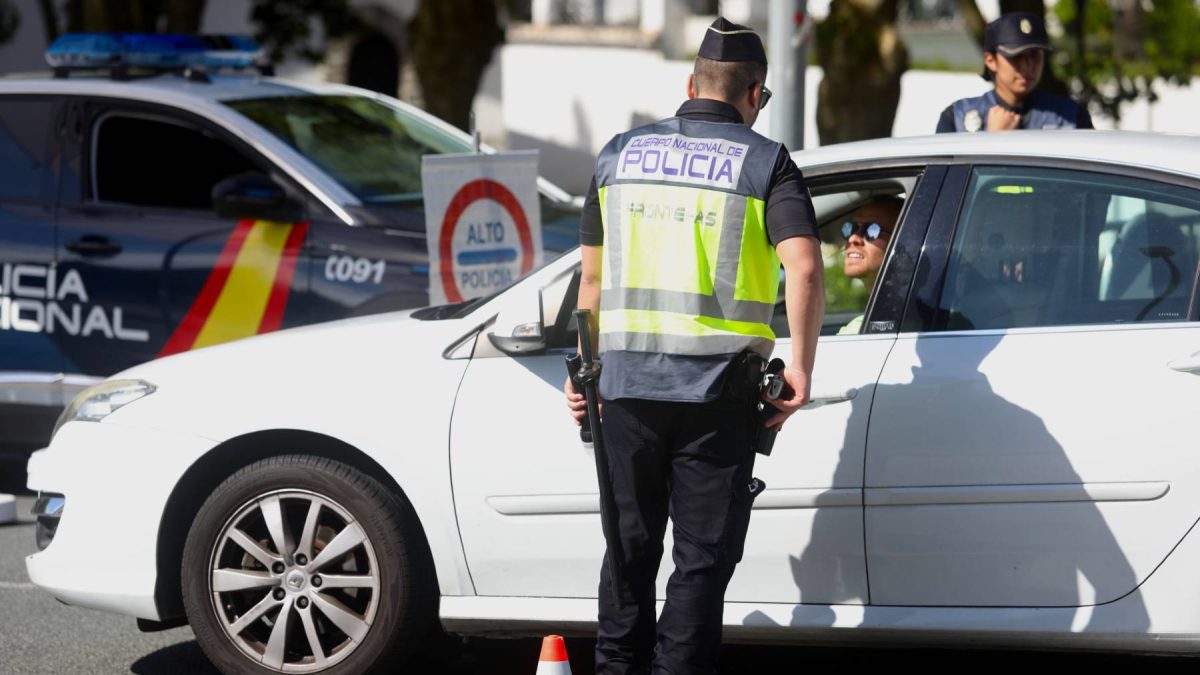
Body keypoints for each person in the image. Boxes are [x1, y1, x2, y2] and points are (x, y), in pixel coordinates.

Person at [563, 17, 824, 675]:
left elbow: (590, 280)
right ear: (756, 93)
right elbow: (807, 266)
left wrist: (582, 372)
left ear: (691, 83)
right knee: (700, 561)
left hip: (624, 391)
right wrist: (800, 365)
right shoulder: (767, 161)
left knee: (627, 551)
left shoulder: (618, 154)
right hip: (719, 396)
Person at [935, 12, 1093, 133]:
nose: (1027, 65)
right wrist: (993, 142)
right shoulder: (957, 118)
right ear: (990, 60)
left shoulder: (1071, 116)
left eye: (1035, 55)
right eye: (1016, 57)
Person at [837, 196, 902, 335]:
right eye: (850, 228)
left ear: (901, 243)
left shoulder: (898, 323)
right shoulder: (865, 323)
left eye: (872, 230)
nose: (853, 238)